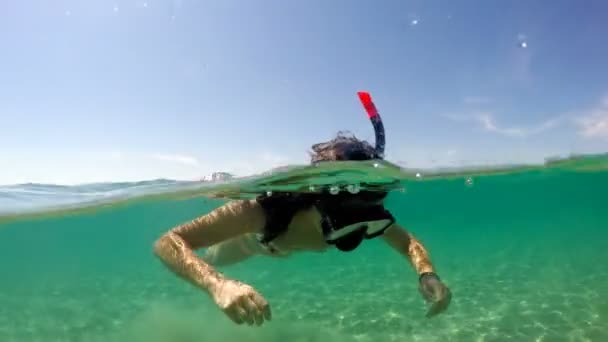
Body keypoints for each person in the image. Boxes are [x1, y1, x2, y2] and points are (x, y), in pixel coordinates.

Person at [153, 92, 452, 327]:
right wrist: (217, 285)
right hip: (252, 244)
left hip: (284, 248)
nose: (357, 222)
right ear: (318, 195)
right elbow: (167, 242)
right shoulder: (269, 208)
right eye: (344, 215)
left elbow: (408, 242)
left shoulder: (367, 210)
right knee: (211, 257)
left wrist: (428, 275)